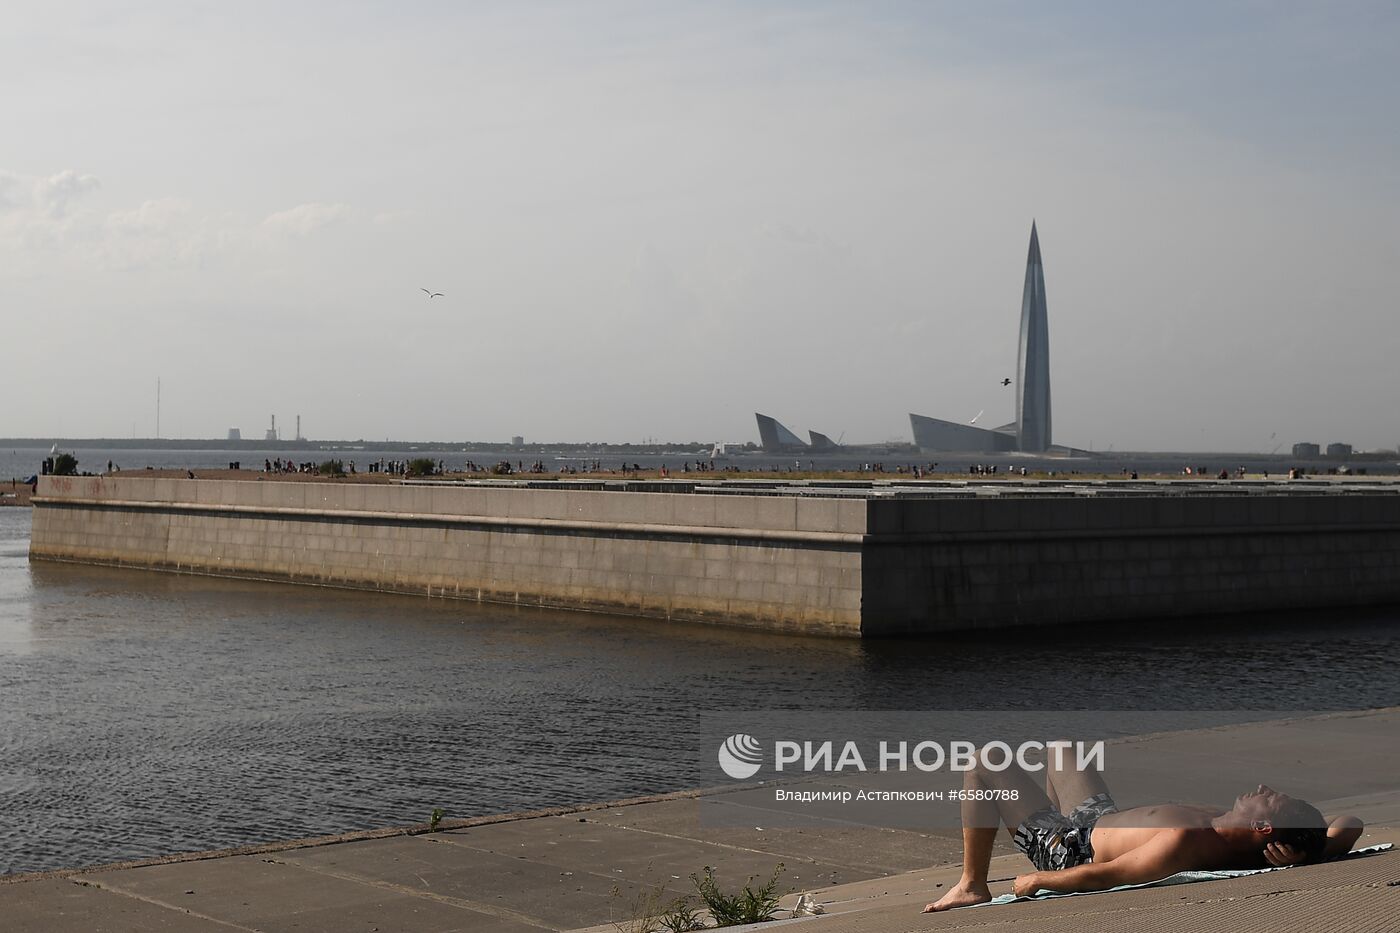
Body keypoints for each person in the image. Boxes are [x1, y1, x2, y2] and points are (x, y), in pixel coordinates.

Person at [924, 749, 1362, 912]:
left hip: (1071, 847)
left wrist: (1039, 879)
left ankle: (971, 884)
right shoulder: (1234, 824)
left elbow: (1111, 875)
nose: (1263, 787)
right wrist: (1312, 853)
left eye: (1271, 797)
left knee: (984, 763)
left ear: (1263, 824)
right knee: (1061, 753)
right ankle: (1037, 815)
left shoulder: (1188, 841)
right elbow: (1350, 824)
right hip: (1098, 815)